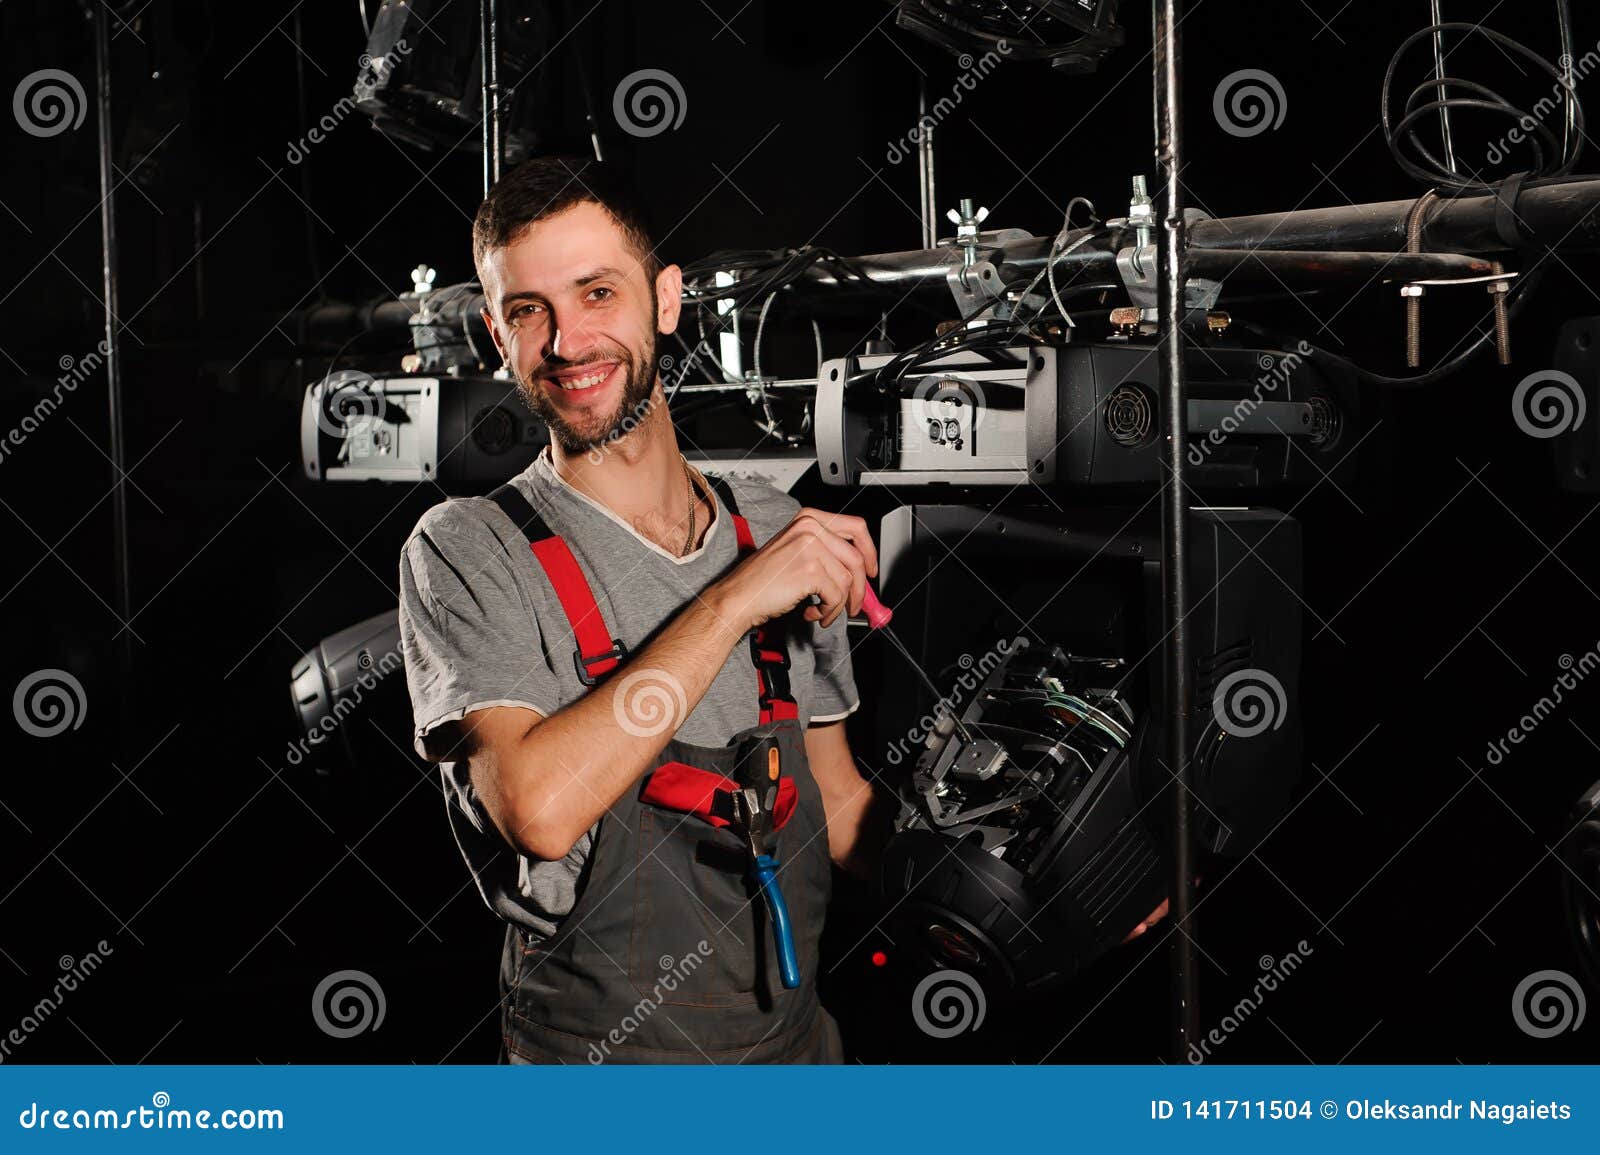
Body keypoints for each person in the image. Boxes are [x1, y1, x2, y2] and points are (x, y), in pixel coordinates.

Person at [397, 155, 1169, 1065]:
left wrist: (1046, 901)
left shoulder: (771, 527)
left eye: (598, 293)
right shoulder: (465, 547)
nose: (567, 342)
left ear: (667, 298)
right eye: (529, 311)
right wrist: (735, 598)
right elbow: (540, 810)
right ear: (496, 330)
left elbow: (839, 810)